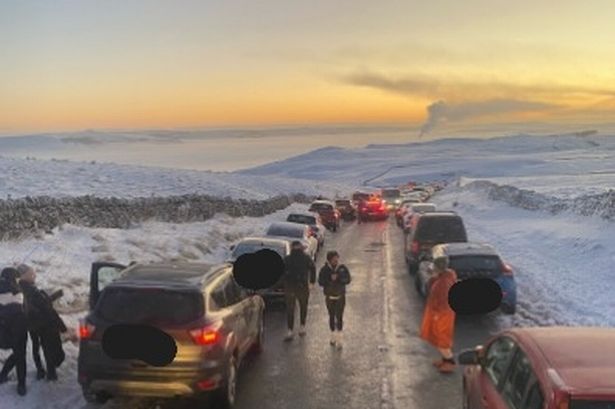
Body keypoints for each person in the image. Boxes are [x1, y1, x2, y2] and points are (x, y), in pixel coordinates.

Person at [17, 264, 67, 382]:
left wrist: (53, 296)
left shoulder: (20, 288)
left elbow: (40, 303)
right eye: (31, 273)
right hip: (43, 324)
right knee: (48, 347)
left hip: (31, 324)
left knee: (36, 347)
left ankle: (40, 370)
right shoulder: (31, 289)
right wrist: (61, 326)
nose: (34, 275)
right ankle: (51, 372)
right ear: (25, 275)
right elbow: (46, 307)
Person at [419, 255, 458, 373]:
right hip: (443, 313)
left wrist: (435, 316)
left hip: (441, 314)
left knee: (442, 339)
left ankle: (450, 362)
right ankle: (445, 360)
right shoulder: (448, 275)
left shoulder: (442, 284)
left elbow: (441, 301)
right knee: (439, 337)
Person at [0, 267, 28, 396]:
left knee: (17, 354)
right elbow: (25, 312)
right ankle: (21, 385)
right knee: (20, 356)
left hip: (2, 334)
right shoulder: (18, 292)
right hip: (18, 331)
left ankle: (3, 375)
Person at [282, 241, 316, 341]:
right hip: (302, 286)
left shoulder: (287, 259)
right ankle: (301, 327)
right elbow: (313, 268)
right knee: (303, 306)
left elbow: (282, 272)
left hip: (291, 286)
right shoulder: (305, 257)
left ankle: (290, 330)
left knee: (290, 309)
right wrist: (312, 282)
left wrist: (284, 282)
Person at [317, 251, 351, 349]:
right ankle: (333, 336)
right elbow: (320, 282)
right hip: (329, 297)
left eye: (337, 258)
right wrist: (329, 280)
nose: (335, 260)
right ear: (329, 260)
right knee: (331, 316)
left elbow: (348, 279)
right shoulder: (324, 270)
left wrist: (339, 278)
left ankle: (340, 339)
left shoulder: (342, 268)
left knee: (339, 316)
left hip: (340, 296)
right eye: (333, 259)